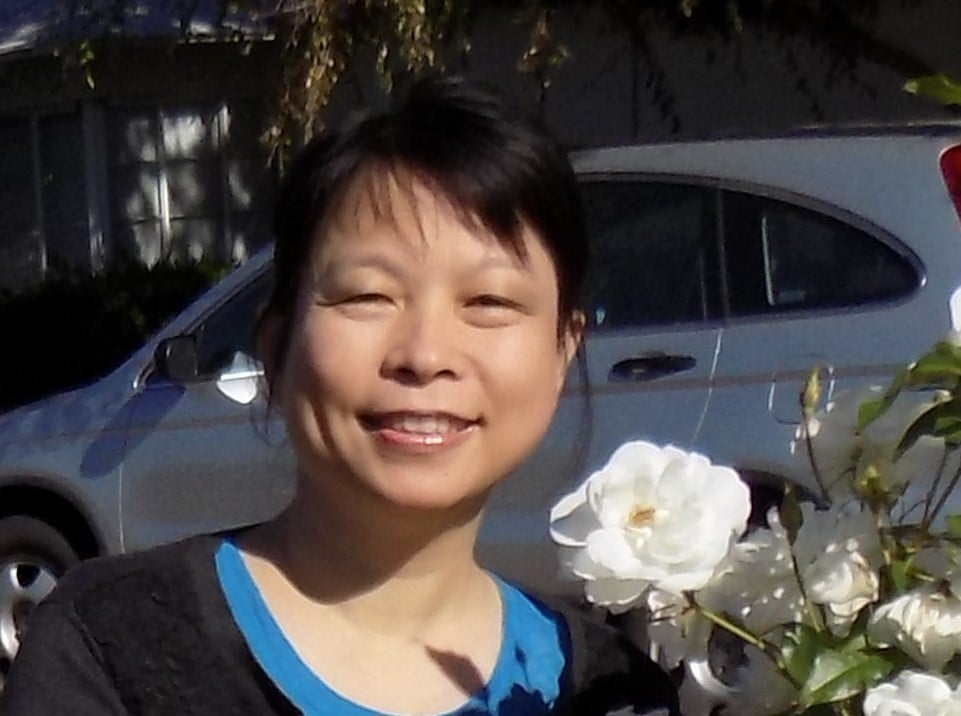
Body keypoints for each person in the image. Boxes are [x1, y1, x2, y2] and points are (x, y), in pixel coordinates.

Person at [0, 76, 679, 716]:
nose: (424, 355)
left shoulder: (606, 691)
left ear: (563, 350)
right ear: (275, 345)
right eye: (367, 296)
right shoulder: (113, 648)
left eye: (489, 302)